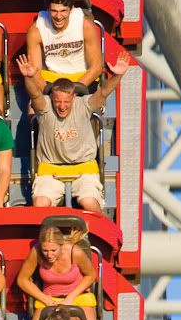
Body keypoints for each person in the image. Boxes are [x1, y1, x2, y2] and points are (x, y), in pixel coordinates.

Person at [18, 50, 131, 212]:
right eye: (58, 101)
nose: (62, 106)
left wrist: (117, 76)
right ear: (52, 99)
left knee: (89, 203)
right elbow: (35, 94)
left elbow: (103, 92)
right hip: (51, 168)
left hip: (83, 167)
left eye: (66, 101)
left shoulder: (83, 104)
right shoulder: (46, 107)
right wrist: (28, 77)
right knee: (40, 204)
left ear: (74, 98)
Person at [16, 222, 97, 320]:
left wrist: (70, 298)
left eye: (53, 250)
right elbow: (22, 279)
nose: (49, 255)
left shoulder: (75, 252)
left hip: (77, 297)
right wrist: (45, 299)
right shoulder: (36, 252)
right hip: (50, 299)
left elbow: (91, 275)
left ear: (61, 245)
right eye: (45, 250)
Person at [25, 0, 102, 89]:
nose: (58, 16)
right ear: (48, 9)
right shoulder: (36, 30)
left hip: (82, 78)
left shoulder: (85, 26)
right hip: (52, 80)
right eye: (54, 11)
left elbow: (96, 67)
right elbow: (35, 71)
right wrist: (49, 93)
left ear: (71, 10)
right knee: (34, 104)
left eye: (63, 11)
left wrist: (73, 90)